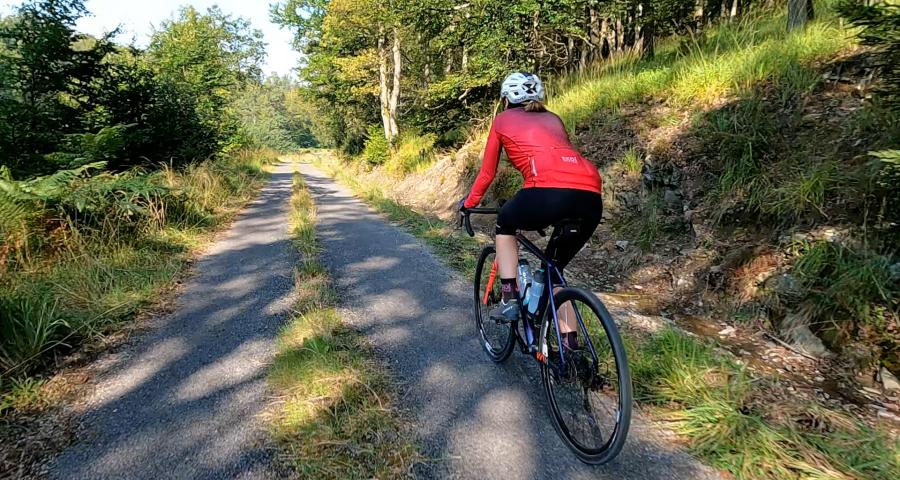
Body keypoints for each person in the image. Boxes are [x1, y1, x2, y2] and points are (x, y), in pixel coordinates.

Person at [458, 72, 603, 351]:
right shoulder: (554, 119)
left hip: (545, 191)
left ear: (506, 99)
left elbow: (487, 173)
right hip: (590, 195)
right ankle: (571, 349)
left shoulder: (502, 120)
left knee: (505, 222)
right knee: (554, 270)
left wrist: (469, 202)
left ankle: (509, 297)